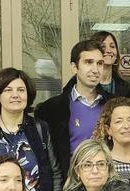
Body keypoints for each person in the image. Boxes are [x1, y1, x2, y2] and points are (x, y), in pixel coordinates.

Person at [35, 39, 111, 177]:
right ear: (74, 67)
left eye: (99, 63)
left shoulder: (113, 105)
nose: (95, 69)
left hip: (105, 182)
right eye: (88, 62)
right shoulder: (52, 109)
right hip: (68, 185)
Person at [91, 31, 130, 97]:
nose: (109, 50)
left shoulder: (125, 87)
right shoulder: (86, 85)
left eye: (112, 46)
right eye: (103, 46)